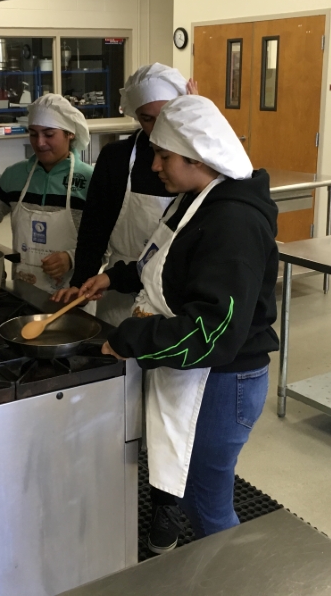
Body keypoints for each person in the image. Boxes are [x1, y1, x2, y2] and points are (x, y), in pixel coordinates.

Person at [55, 95, 279, 553]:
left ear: (199, 156)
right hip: (195, 372)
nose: (155, 165)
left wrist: (130, 338)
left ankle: (236, 580)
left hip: (222, 381)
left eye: (164, 155)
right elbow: (165, 262)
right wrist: (113, 277)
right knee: (195, 495)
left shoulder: (233, 221)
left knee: (207, 504)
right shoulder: (194, 200)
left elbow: (213, 331)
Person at [65, 63, 196, 326]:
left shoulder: (199, 164)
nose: (159, 126)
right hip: (119, 294)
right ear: (136, 116)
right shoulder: (116, 158)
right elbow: (94, 229)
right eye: (147, 118)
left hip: (175, 295)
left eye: (167, 114)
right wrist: (80, 283)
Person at [0, 94, 93, 293]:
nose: (40, 143)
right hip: (25, 288)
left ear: (70, 134)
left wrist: (71, 258)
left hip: (73, 294)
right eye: (33, 134)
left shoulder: (90, 180)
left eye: (49, 134)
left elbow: (107, 244)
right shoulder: (15, 175)